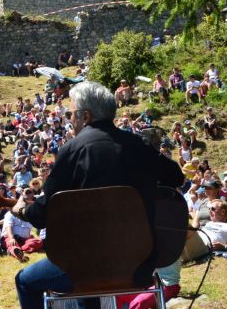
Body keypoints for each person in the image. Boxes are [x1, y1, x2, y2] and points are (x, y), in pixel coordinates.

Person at [12, 81, 183, 309]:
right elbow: (176, 178)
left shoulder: (72, 150)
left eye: (71, 114)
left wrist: (22, 211)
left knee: (24, 281)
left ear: (85, 116)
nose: (69, 120)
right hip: (137, 266)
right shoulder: (139, 145)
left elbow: (44, 213)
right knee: (88, 273)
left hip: (80, 268)